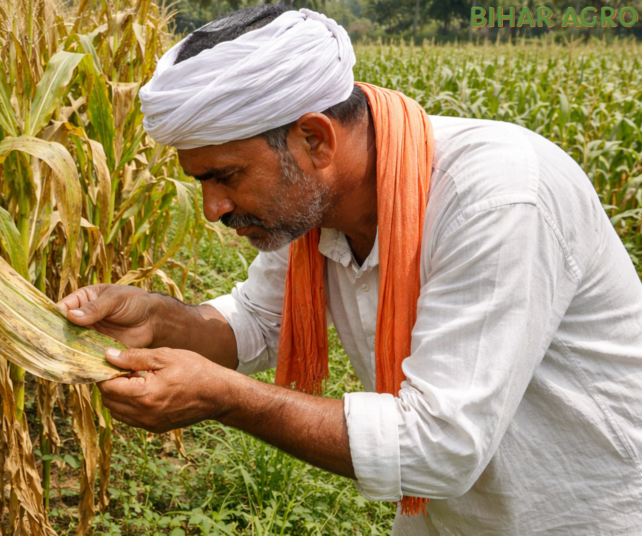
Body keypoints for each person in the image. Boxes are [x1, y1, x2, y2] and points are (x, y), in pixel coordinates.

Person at [56, 5, 642, 535]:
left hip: (585, 512)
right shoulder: (313, 203)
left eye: (226, 176)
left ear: (314, 138)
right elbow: (259, 321)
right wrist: (158, 320)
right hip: (448, 518)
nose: (214, 209)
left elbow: (440, 446)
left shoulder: (499, 199)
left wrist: (225, 399)